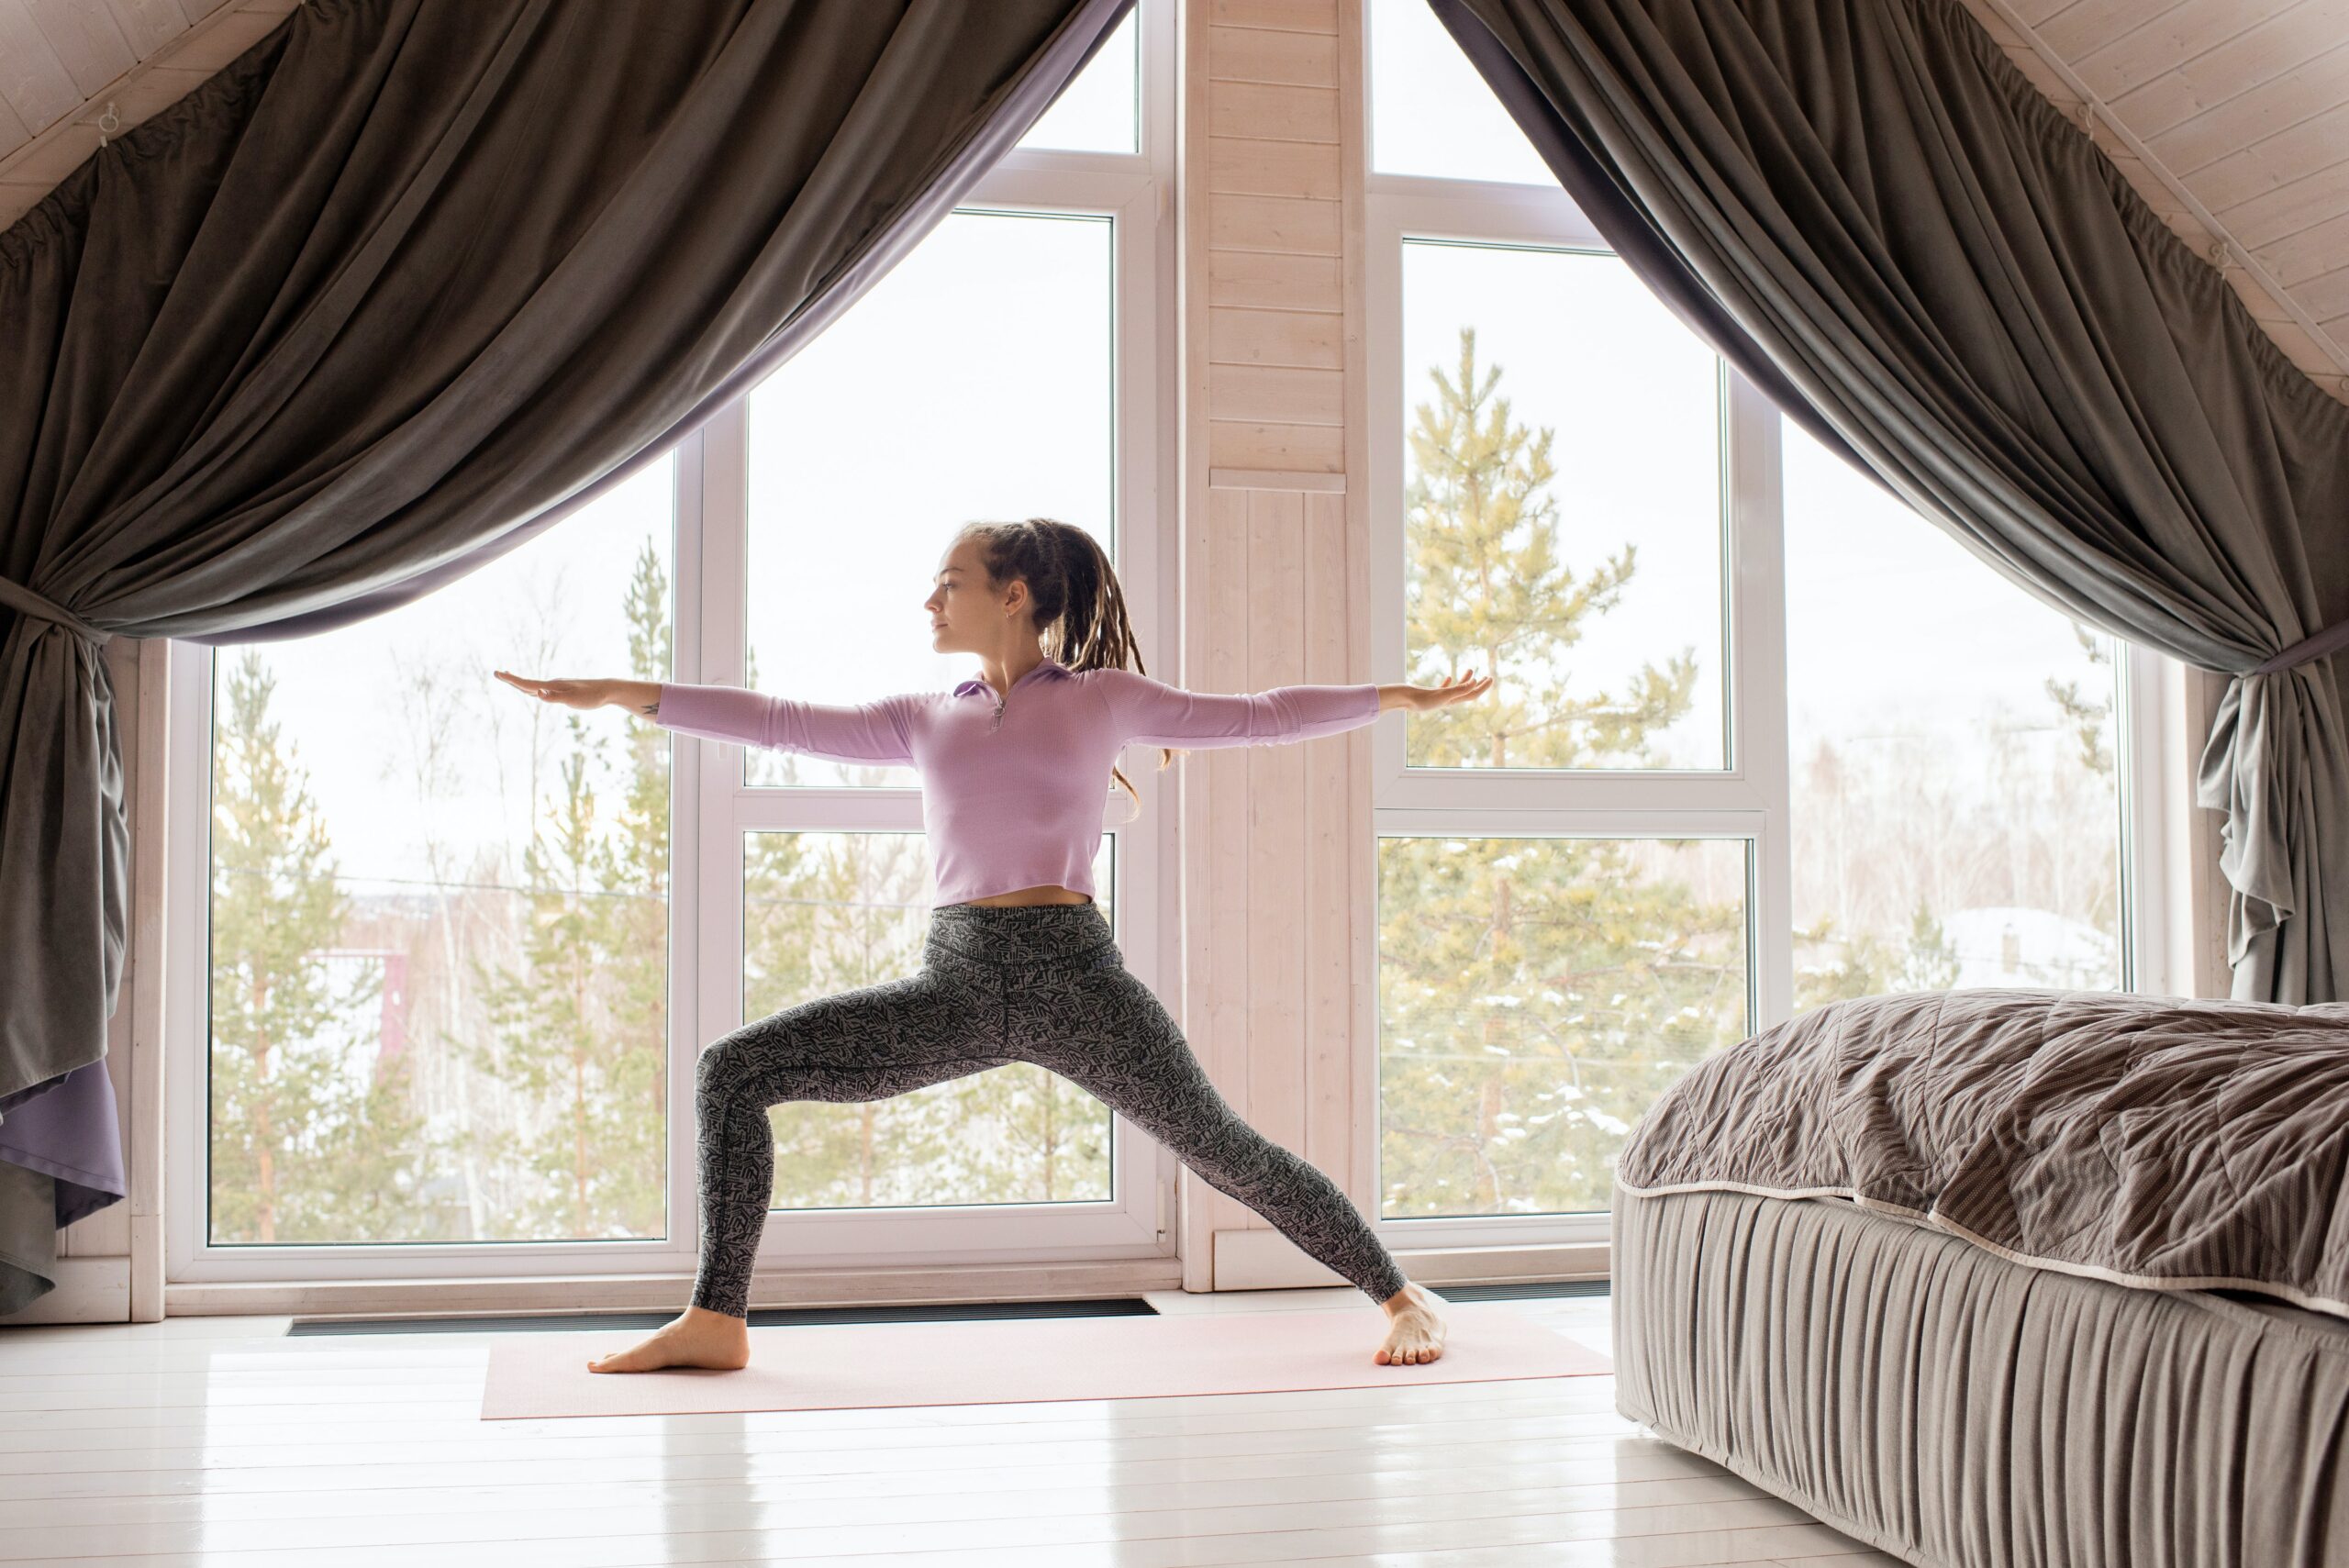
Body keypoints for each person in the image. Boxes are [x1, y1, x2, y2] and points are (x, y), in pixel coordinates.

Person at [494, 517, 1493, 1374]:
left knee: (1225, 1149)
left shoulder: (1099, 697)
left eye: (950, 583)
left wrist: (1398, 699)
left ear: (1013, 595)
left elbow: (1258, 718)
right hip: (958, 983)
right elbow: (776, 720)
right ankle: (716, 1317)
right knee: (732, 1069)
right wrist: (626, 692)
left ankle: (1400, 1293)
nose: (930, 599)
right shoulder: (925, 719)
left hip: (1078, 979)